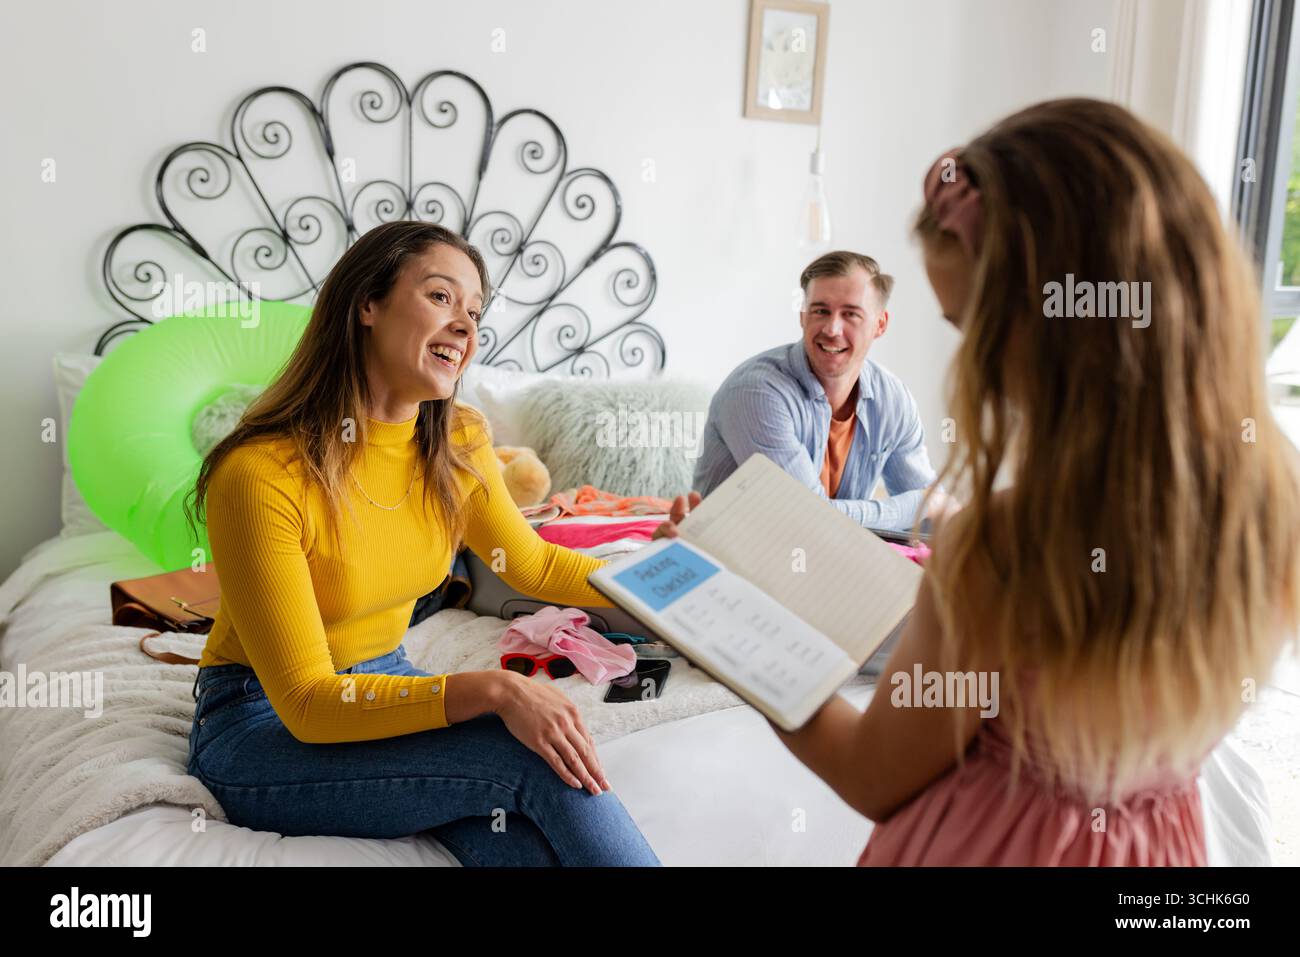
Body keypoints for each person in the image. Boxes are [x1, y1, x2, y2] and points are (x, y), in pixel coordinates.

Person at [758, 98, 1300, 864]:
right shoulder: (1271, 501)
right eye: (818, 310)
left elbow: (871, 771)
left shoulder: (1010, 543)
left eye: (970, 328)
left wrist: (755, 659)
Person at [183, 221, 659, 867]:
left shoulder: (458, 438)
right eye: (440, 297)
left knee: (531, 837)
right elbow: (305, 702)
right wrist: (492, 689)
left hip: (385, 679)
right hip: (261, 723)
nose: (465, 325)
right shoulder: (261, 474)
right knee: (531, 760)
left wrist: (665, 585)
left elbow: (532, 561)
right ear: (366, 304)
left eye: (475, 310)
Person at [692, 250, 948, 532]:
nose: (832, 328)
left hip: (831, 561)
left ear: (880, 324)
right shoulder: (756, 392)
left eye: (851, 314)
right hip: (735, 560)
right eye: (820, 311)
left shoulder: (893, 400)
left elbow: (933, 518)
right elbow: (809, 519)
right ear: (803, 316)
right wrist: (918, 506)